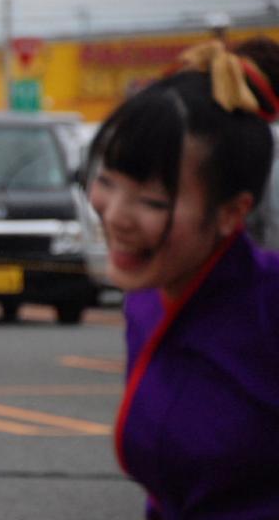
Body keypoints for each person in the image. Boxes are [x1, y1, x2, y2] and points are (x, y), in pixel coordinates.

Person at [86, 36, 279, 519]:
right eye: (107, 181)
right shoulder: (148, 299)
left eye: (152, 201)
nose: (116, 215)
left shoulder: (268, 307)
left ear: (232, 212)